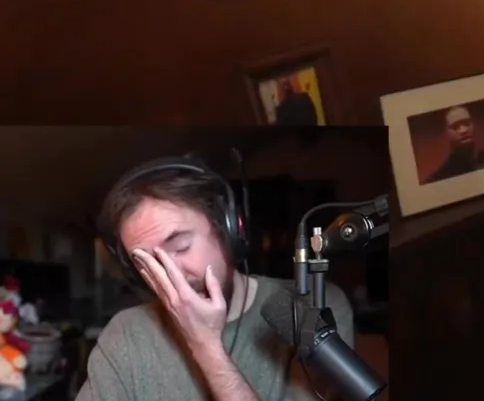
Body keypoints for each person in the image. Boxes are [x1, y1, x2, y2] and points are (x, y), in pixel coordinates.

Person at [79, 157, 355, 401]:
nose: (172, 275)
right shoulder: (125, 334)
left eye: (181, 247)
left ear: (228, 229)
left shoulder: (316, 307)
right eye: (149, 264)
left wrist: (206, 346)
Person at [427, 105, 484, 182]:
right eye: (455, 126)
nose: (463, 130)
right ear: (446, 133)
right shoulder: (440, 178)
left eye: (467, 123)